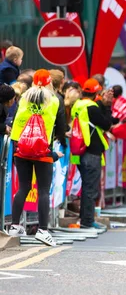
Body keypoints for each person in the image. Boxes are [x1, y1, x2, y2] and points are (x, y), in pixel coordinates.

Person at [8, 70, 66, 245]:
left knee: (23, 188)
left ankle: (15, 226)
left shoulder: (24, 97)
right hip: (42, 150)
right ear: (49, 83)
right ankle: (42, 230)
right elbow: (60, 126)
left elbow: (17, 120)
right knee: (42, 191)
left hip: (22, 148)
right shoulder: (54, 100)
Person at [70, 78, 114, 229]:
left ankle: (85, 219)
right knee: (90, 189)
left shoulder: (78, 105)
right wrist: (108, 106)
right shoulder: (92, 108)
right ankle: (87, 221)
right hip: (91, 152)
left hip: (79, 151)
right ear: (96, 93)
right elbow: (107, 124)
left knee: (86, 187)